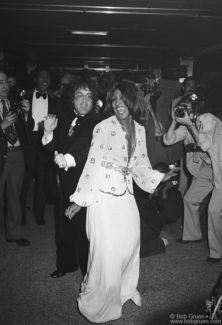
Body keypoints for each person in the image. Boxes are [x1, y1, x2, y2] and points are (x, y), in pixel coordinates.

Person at [65, 80, 179, 323]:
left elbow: (140, 164)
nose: (118, 104)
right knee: (107, 253)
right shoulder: (103, 127)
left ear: (132, 101)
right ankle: (100, 305)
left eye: (122, 98)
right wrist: (80, 200)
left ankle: (126, 290)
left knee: (130, 245)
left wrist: (160, 177)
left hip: (125, 196)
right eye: (114, 99)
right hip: (102, 197)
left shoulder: (138, 129)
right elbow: (92, 164)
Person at [43, 77, 101, 278]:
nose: (84, 102)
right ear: (72, 99)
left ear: (94, 100)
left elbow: (83, 143)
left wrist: (67, 159)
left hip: (87, 184)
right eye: (79, 96)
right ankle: (66, 264)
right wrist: (48, 132)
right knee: (64, 228)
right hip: (65, 182)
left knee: (85, 232)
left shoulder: (97, 122)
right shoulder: (65, 117)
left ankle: (89, 274)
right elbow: (54, 148)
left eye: (88, 97)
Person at [164, 94, 222, 264]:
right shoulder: (186, 125)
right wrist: (175, 121)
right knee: (190, 199)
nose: (184, 111)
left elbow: (205, 145)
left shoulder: (209, 120)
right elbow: (168, 140)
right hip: (209, 168)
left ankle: (217, 252)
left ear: (196, 109)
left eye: (188, 108)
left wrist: (190, 125)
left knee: (213, 210)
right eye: (182, 108)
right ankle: (193, 235)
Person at [20, 66, 61, 226]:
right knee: (24, 180)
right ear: (35, 79)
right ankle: (21, 215)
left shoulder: (55, 100)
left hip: (46, 140)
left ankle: (39, 214)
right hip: (29, 141)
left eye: (48, 78)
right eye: (42, 77)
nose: (45, 80)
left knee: (42, 180)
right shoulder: (25, 97)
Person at [0, 70, 34, 246]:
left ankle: (13, 234)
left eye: (6, 82)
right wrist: (2, 125)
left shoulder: (14, 101)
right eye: (0, 83)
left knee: (15, 196)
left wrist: (27, 114)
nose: (5, 86)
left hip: (17, 154)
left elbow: (29, 127)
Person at [137, 162, 183, 258]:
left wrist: (164, 194)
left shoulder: (173, 193)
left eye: (161, 174)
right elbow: (138, 206)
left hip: (152, 226)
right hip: (138, 221)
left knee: (134, 250)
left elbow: (173, 216)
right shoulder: (146, 186)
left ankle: (161, 242)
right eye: (155, 173)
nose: (159, 177)